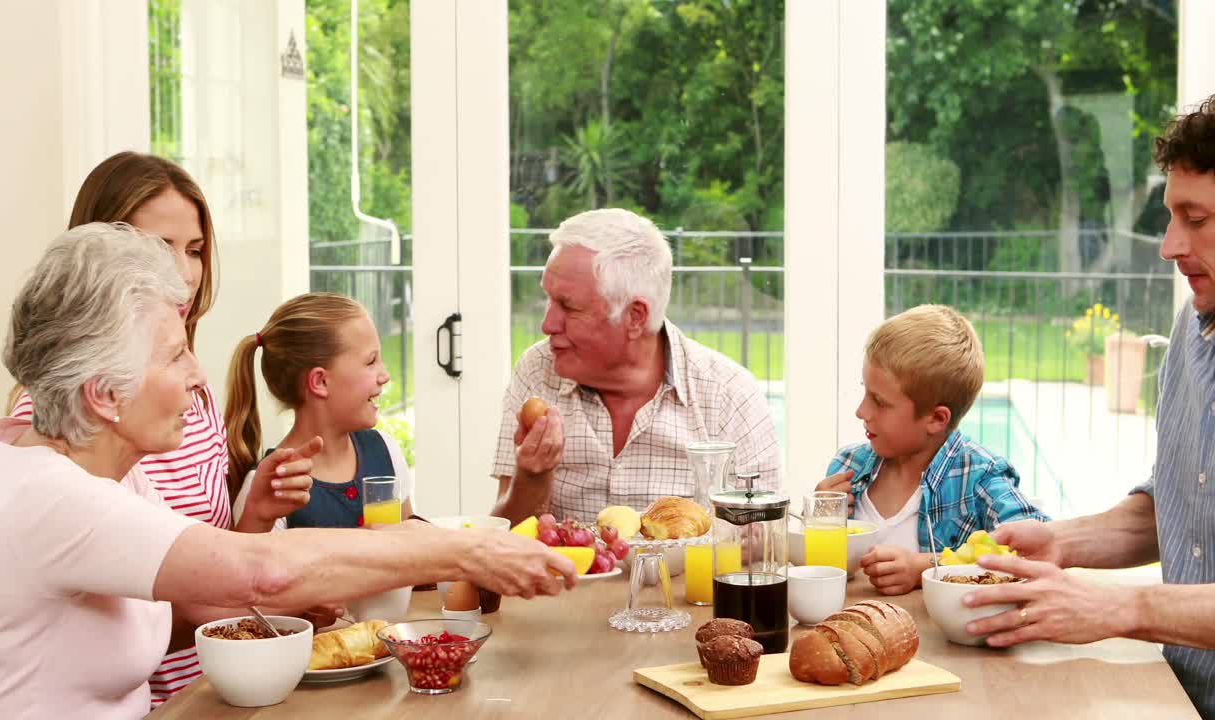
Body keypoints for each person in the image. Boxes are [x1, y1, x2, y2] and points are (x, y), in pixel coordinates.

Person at [0, 223, 575, 720]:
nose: (198, 376)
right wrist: (461, 553)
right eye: (175, 357)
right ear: (104, 395)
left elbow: (199, 604)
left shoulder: (106, 472)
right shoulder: (51, 497)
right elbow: (263, 574)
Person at [964, 93, 1215, 718]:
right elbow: (1176, 505)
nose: (1169, 245)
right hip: (1181, 694)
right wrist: (1060, 542)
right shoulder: (1193, 329)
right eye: (1169, 215)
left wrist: (1120, 607)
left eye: (1197, 218)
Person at [4, 152, 283, 704]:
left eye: (195, 250)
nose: (183, 271)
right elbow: (148, 603)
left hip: (209, 687)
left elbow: (216, 563)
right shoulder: (54, 428)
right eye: (159, 248)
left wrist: (256, 516)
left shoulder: (190, 395)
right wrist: (281, 595)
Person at [490, 208, 781, 524]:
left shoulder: (729, 397)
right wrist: (532, 477)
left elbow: (763, 544)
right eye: (548, 299)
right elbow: (505, 537)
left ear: (635, 317)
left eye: (568, 307)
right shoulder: (537, 371)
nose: (547, 324)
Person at [817, 304, 1047, 595]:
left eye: (880, 401)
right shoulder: (847, 465)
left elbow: (1032, 546)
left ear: (936, 419)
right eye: (865, 391)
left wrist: (925, 567)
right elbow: (817, 570)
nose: (861, 411)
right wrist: (817, 521)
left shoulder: (979, 475)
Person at [227, 293, 413, 529]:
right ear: (320, 382)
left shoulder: (386, 451)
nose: (385, 375)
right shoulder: (270, 489)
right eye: (370, 361)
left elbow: (412, 549)